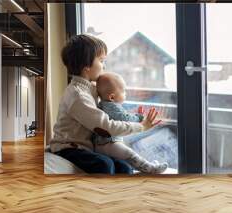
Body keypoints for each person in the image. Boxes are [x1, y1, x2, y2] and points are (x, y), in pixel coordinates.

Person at [49, 34, 160, 174]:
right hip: (69, 148)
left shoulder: (91, 89)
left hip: (86, 147)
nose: (104, 65)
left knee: (124, 167)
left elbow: (112, 109)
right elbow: (105, 127)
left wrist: (134, 116)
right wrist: (140, 127)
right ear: (86, 66)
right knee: (104, 165)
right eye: (101, 60)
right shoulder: (77, 95)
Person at [93, 72, 168, 174]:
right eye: (123, 91)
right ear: (112, 97)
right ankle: (150, 169)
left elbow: (122, 116)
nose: (126, 94)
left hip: (107, 143)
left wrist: (135, 116)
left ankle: (146, 167)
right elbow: (124, 117)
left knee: (127, 156)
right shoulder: (111, 106)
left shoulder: (106, 105)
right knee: (130, 154)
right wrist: (140, 118)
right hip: (108, 144)